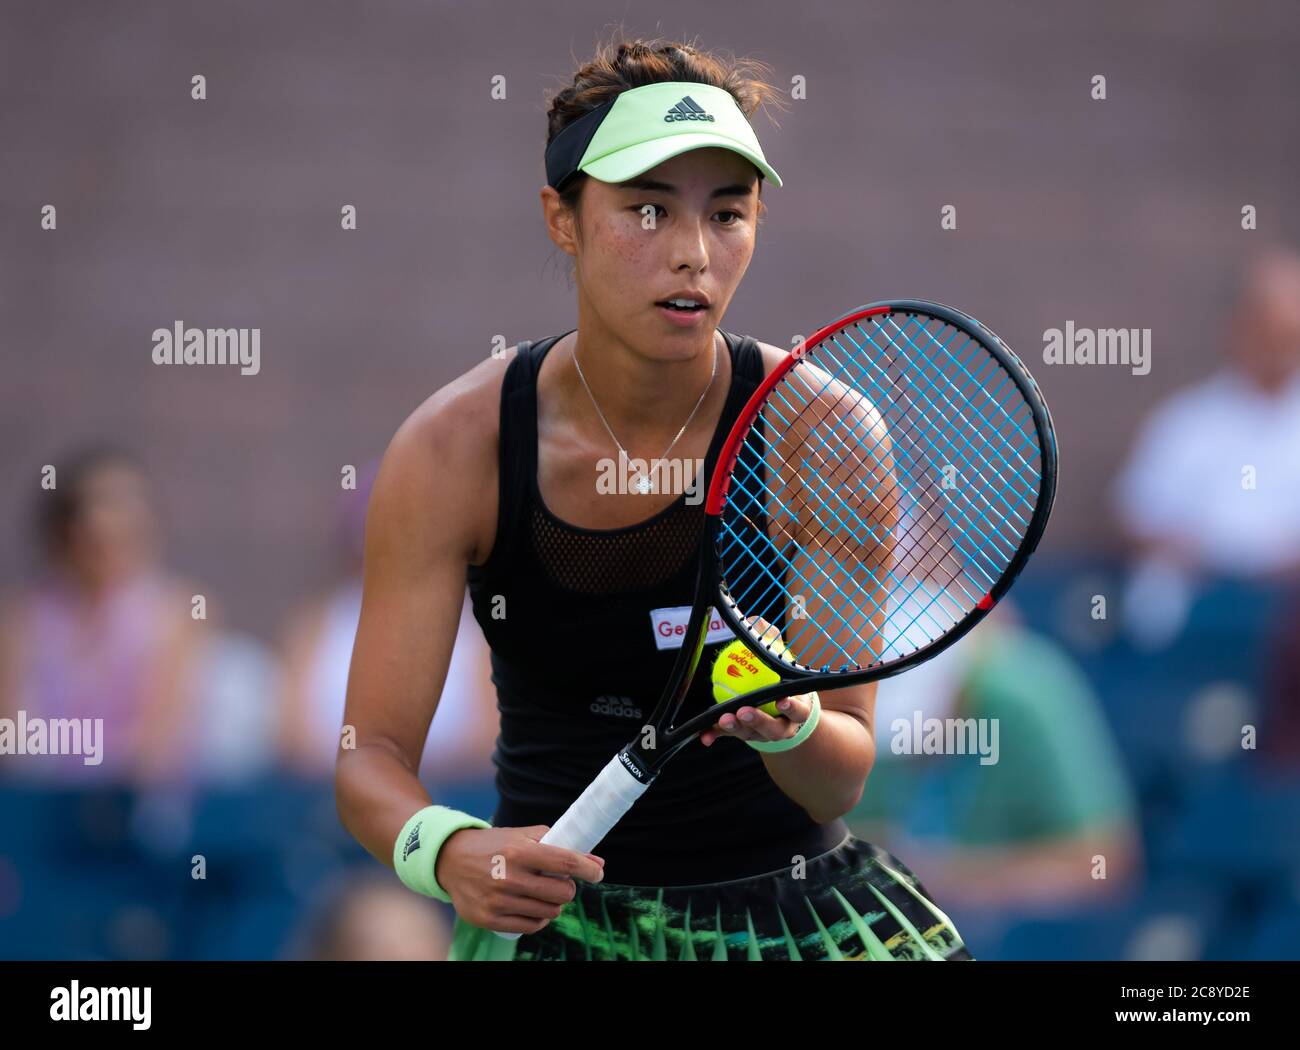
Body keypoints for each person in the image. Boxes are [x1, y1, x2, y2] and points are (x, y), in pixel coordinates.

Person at [335, 36, 973, 961]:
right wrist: (448, 849)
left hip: (792, 924)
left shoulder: (822, 436)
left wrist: (794, 727)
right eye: (646, 210)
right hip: (559, 931)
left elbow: (841, 778)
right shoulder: (453, 451)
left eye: (728, 214)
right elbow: (369, 758)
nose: (692, 255)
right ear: (562, 217)